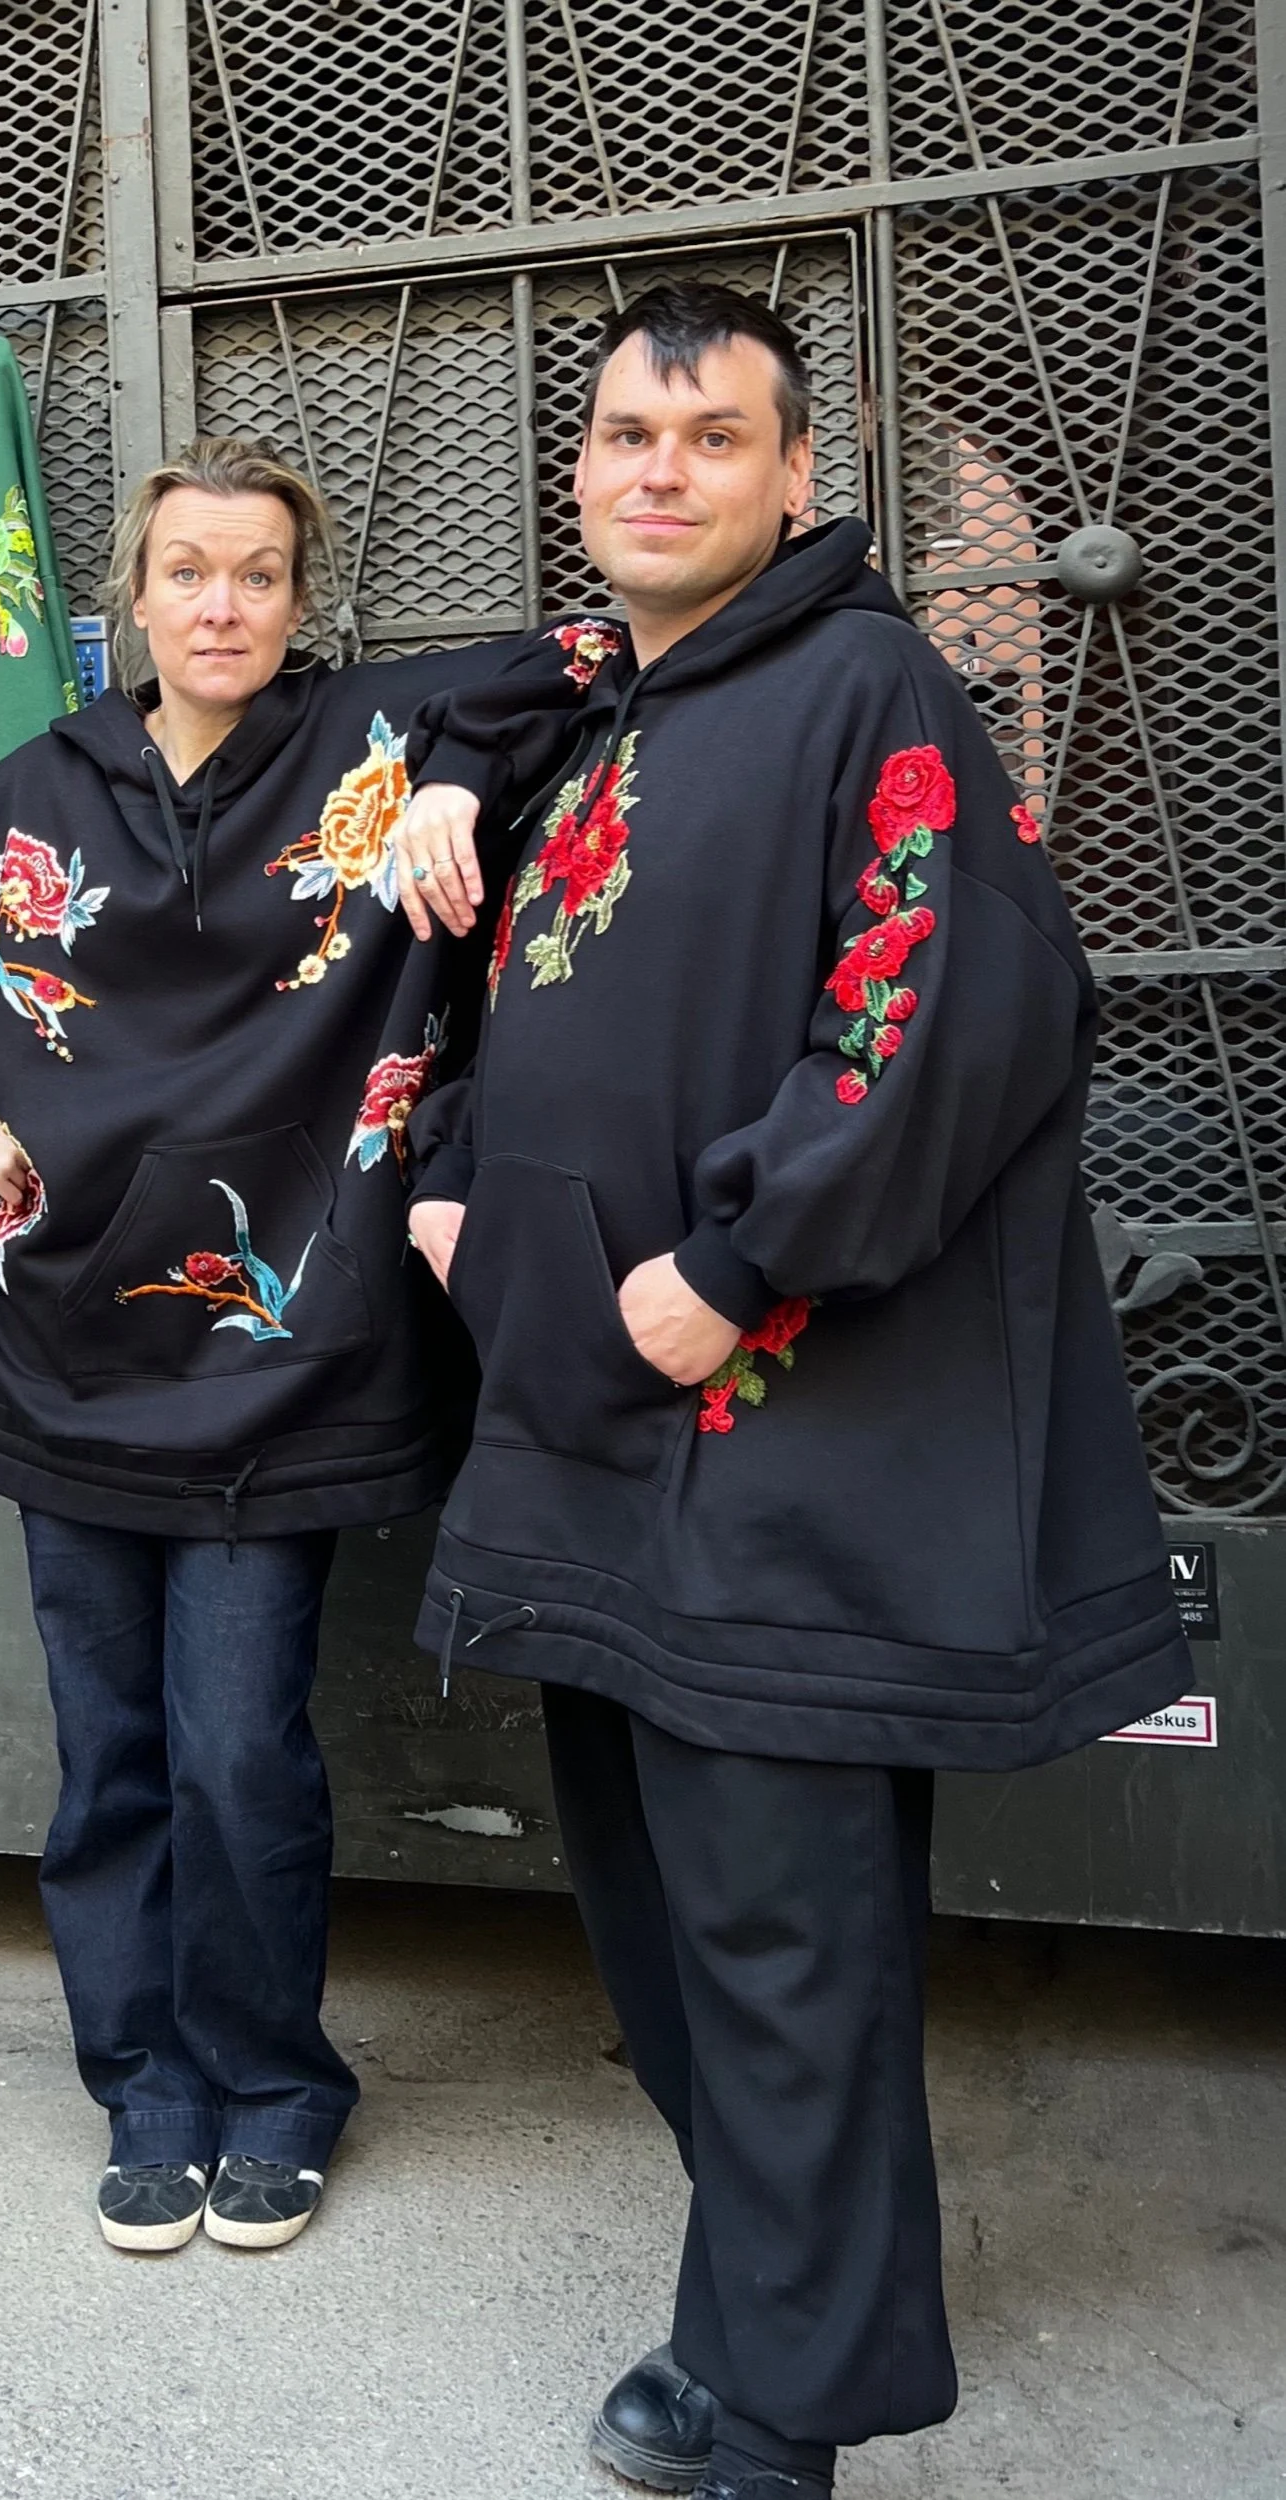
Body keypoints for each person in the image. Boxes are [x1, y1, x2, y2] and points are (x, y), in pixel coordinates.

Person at [388, 285, 1189, 2496]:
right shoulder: (594, 707)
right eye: (623, 436)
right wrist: (448, 1182)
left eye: (710, 436)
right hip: (587, 1423)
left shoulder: (866, 685)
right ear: (580, 470)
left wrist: (737, 1263)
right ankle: (754, 2316)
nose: (658, 470)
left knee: (780, 1941)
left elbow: (958, 1005)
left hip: (779, 1425)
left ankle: (779, 2413)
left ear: (794, 474)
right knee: (664, 1933)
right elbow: (497, 975)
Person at [0, 438, 507, 2256]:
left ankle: (274, 2086)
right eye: (188, 570)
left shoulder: (374, 743)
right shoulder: (31, 800)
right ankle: (145, 2086)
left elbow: (589, 666)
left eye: (258, 574)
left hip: (292, 1358)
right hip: (67, 1353)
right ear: (130, 595)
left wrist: (454, 779)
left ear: (300, 597)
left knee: (238, 1753)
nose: (221, 604)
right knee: (109, 1755)